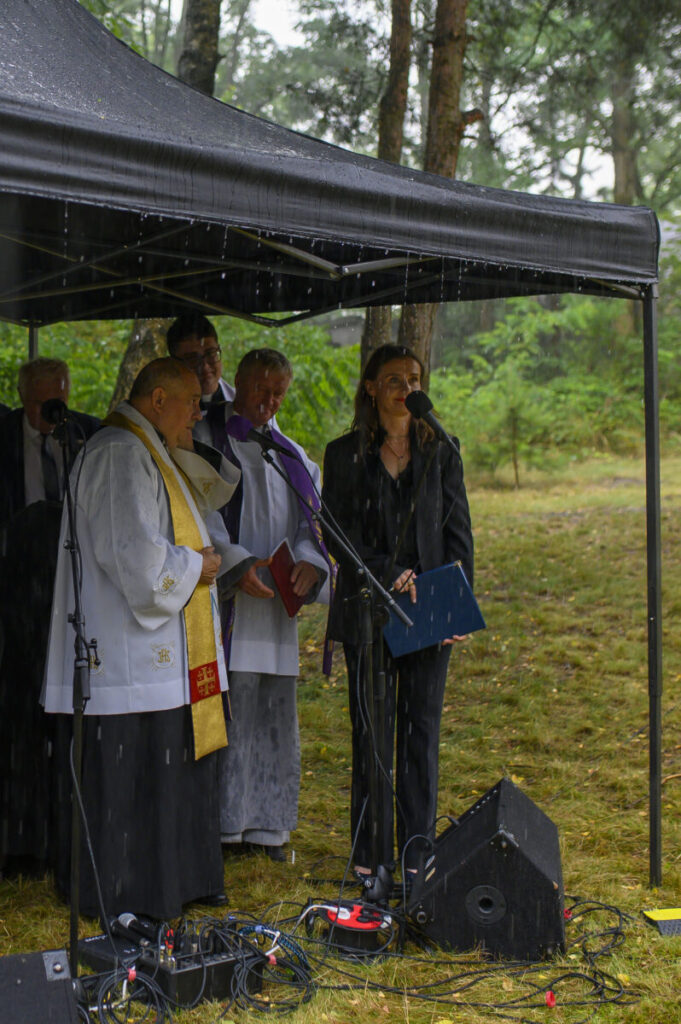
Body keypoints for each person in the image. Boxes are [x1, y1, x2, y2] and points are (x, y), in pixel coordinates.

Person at [42, 358, 247, 920]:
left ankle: (175, 879)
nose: (196, 416)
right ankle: (129, 890)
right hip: (126, 657)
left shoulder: (147, 447)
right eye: (189, 404)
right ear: (158, 399)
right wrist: (198, 567)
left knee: (166, 772)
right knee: (134, 780)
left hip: (157, 657)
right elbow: (134, 558)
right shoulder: (118, 451)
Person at [322, 344, 474, 879]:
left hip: (429, 609)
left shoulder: (443, 451)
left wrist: (455, 608)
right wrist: (386, 573)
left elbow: (459, 537)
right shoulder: (344, 454)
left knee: (420, 732)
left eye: (413, 378)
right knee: (371, 734)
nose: (405, 387)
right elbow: (337, 533)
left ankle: (416, 855)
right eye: (393, 379)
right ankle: (370, 858)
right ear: (370, 388)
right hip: (370, 608)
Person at [203, 348, 329, 861]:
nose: (269, 401)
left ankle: (269, 827)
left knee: (275, 718)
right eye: (260, 389)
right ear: (239, 383)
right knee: (233, 718)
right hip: (233, 605)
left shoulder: (294, 458)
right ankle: (225, 827)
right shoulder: (208, 449)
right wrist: (235, 563)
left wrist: (308, 564)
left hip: (276, 611)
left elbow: (310, 529)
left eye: (279, 392)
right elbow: (200, 519)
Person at [0, 358, 99, 874]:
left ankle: (64, 830)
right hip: (13, 598)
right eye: (41, 404)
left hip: (70, 597)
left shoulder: (87, 434)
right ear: (22, 397)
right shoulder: (2, 437)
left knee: (62, 713)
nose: (52, 413)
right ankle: (19, 836)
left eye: (59, 400)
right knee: (17, 716)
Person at [166, 312, 235, 441]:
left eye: (211, 354)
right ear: (174, 363)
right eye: (192, 359)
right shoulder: (165, 414)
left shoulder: (245, 406)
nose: (205, 366)